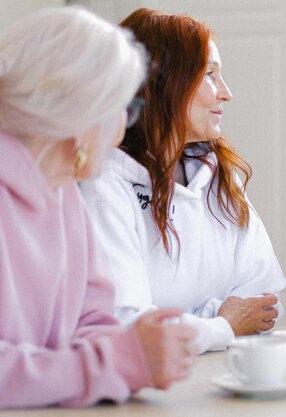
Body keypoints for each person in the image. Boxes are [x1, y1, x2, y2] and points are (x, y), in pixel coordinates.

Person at [0, 7, 197, 409]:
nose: (124, 129)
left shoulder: (63, 191)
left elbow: (92, 322)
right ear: (79, 112)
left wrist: (133, 346)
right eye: (125, 109)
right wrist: (116, 362)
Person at [80, 8, 286, 353]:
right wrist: (223, 325)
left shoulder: (221, 179)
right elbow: (128, 328)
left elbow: (265, 303)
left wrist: (199, 327)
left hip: (221, 379)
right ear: (162, 84)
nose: (226, 93)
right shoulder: (102, 187)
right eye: (210, 75)